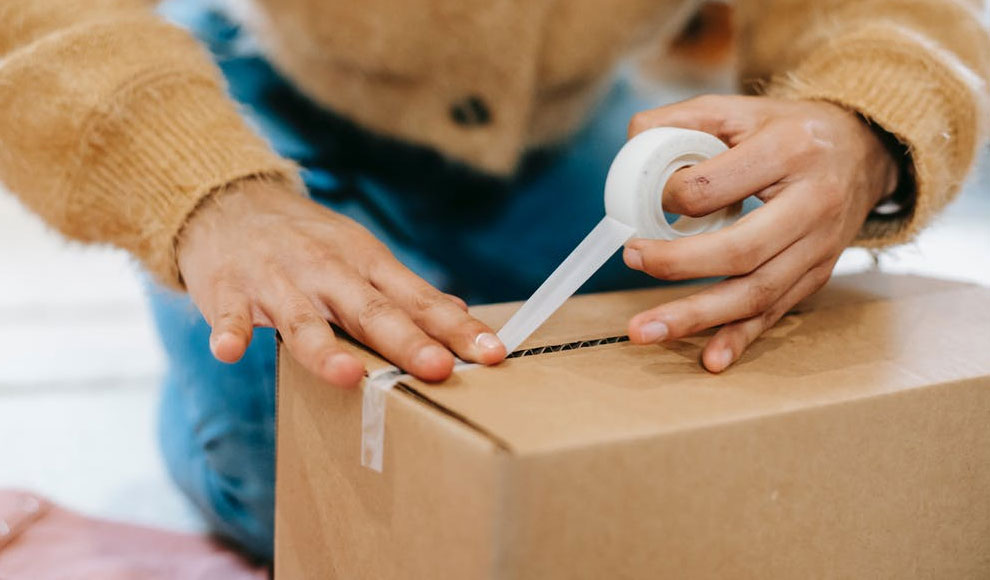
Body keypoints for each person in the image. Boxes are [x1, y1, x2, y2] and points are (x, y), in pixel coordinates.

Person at [2, 0, 987, 561]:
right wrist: (193, 184)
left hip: (563, 125)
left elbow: (896, 16)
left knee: (668, 405)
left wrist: (866, 123)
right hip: (249, 91)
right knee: (301, 483)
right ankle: (197, 393)